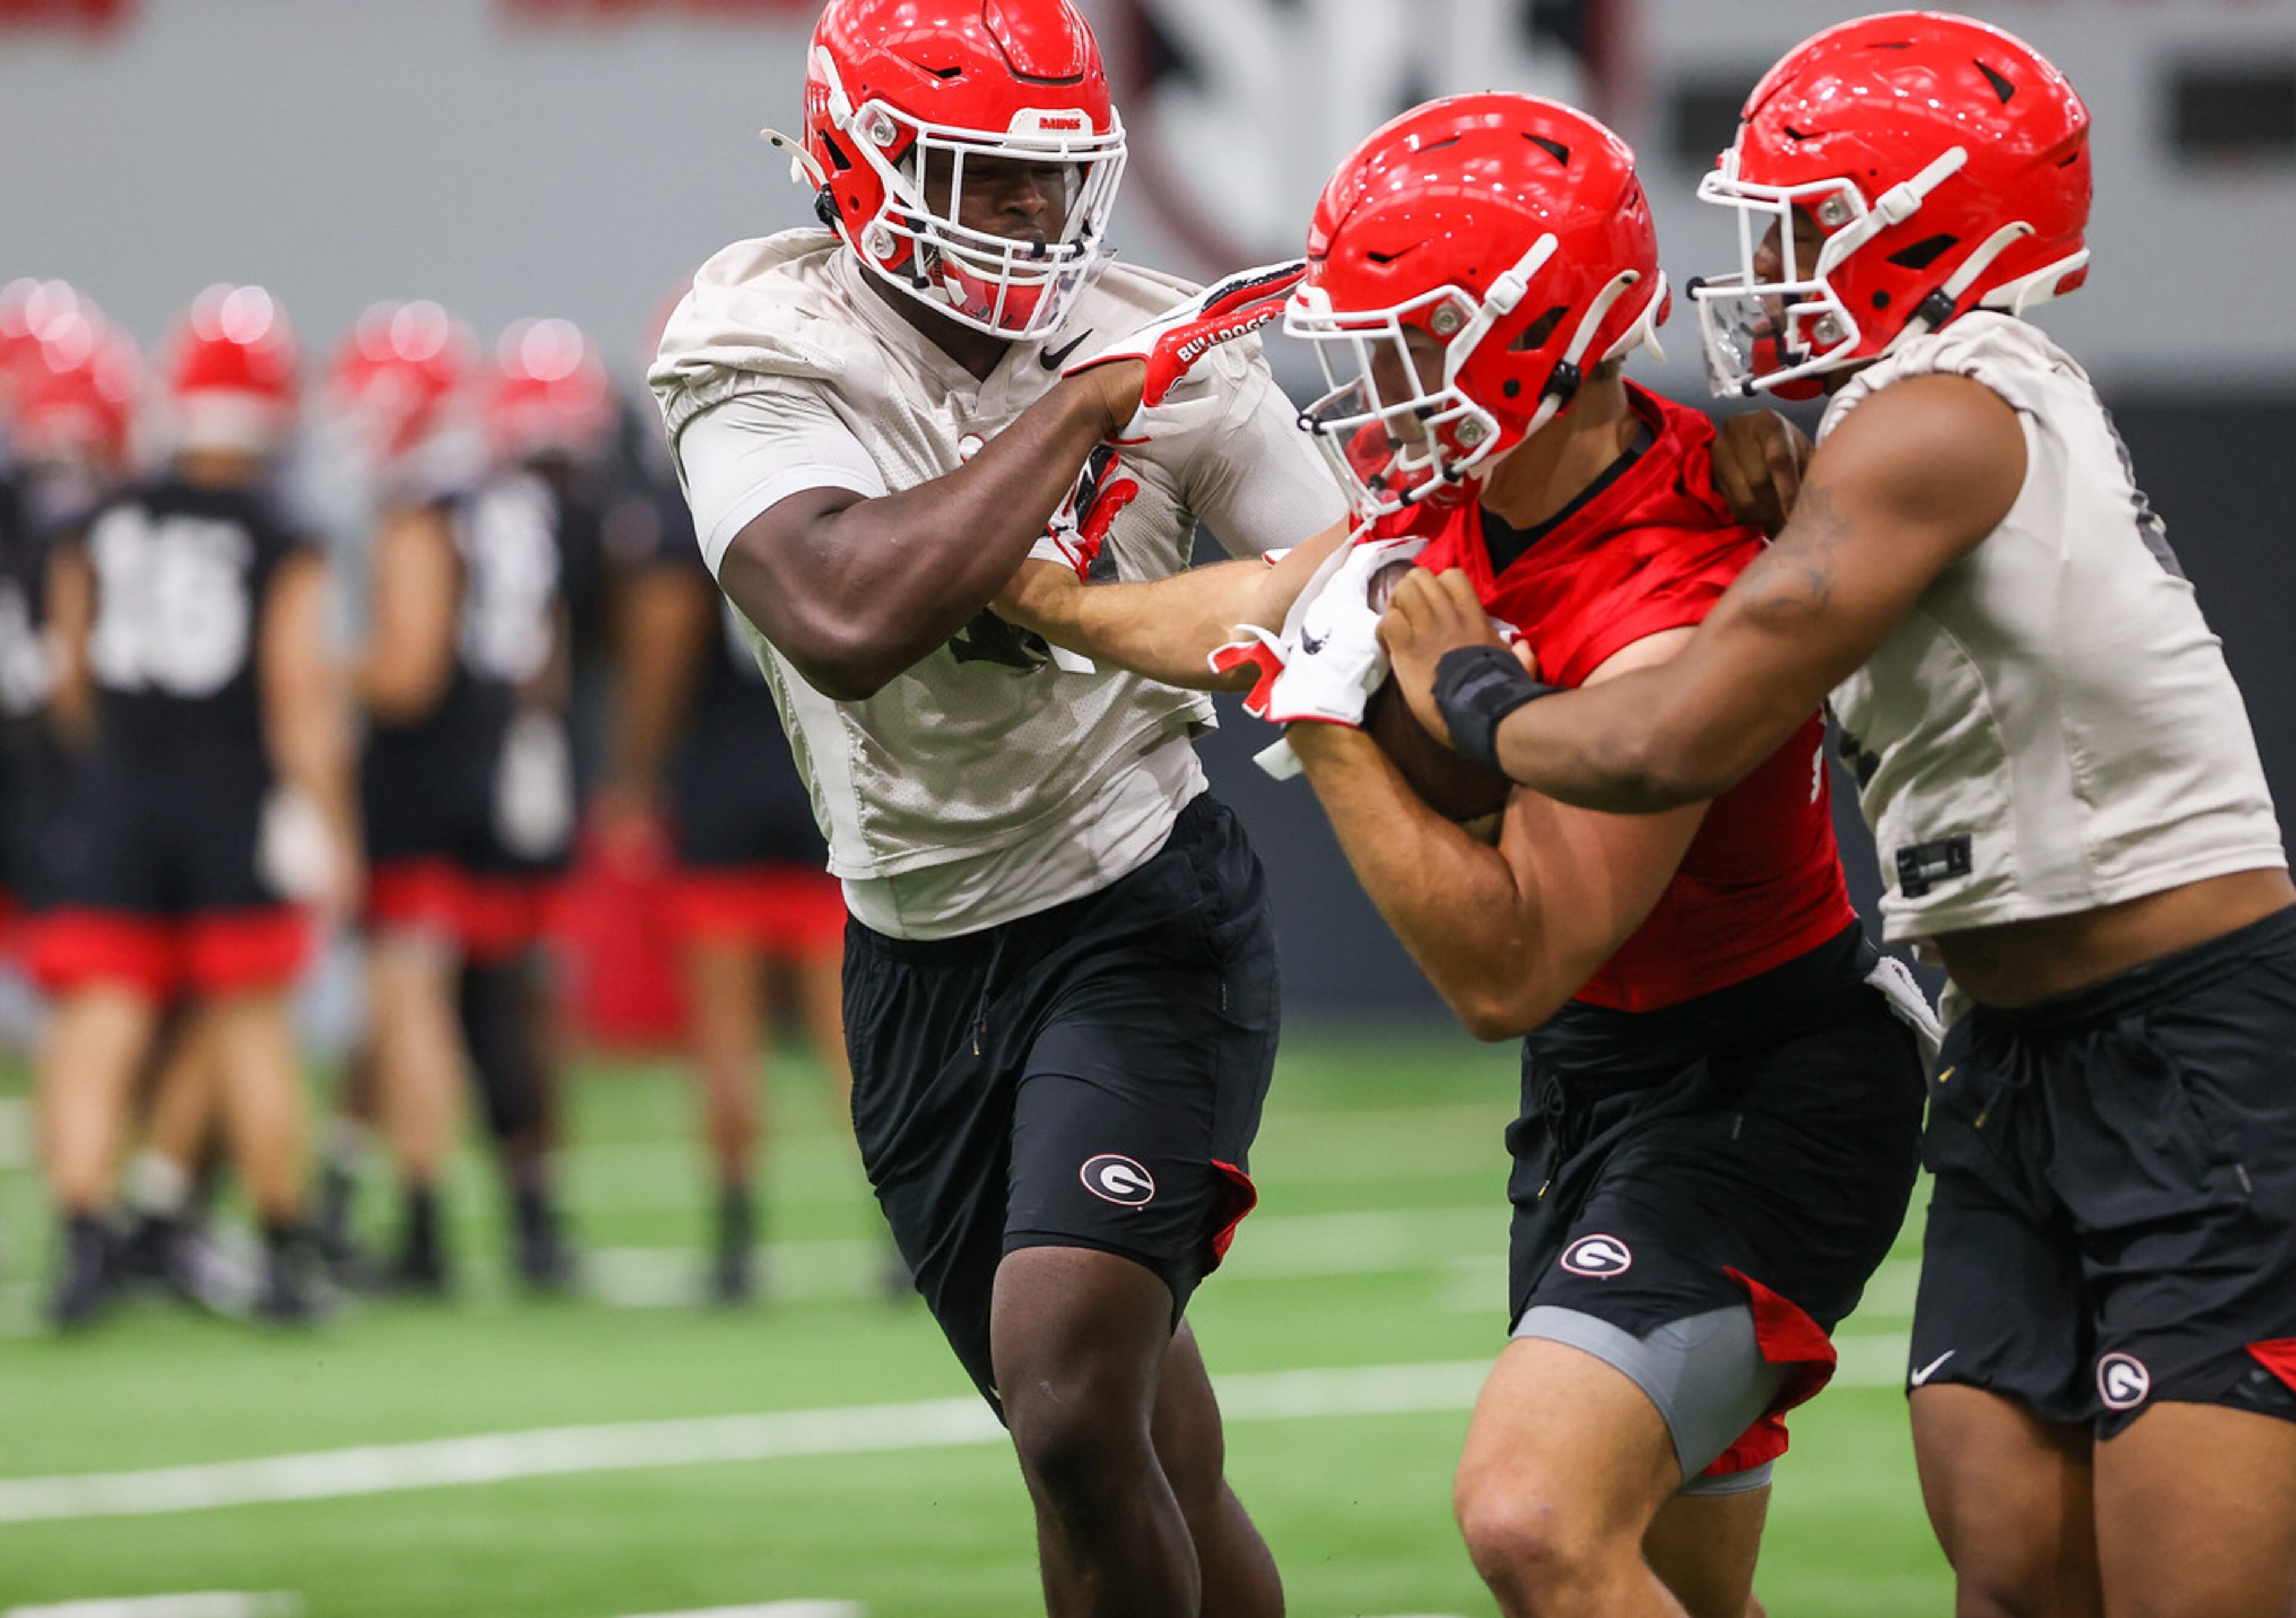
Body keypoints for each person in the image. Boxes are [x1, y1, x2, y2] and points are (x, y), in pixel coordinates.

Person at [1378, 16, 2296, 1617]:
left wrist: (1475, 697)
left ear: (1933, 221)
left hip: (2196, 1048)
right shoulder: (1901, 419)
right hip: (2009, 1051)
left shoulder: (1943, 414)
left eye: (1806, 219)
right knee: (2010, 1561)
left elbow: (1672, 736)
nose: (1772, 257)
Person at [1240, 93, 1929, 1618]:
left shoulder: (1680, 576)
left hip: (1758, 1089)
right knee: (1667, 1577)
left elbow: (1508, 964)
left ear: (1541, 335)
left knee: (1534, 1520)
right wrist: (1041, 601)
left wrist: (1325, 720)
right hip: (1606, 1088)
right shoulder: (1486, 490)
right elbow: (1245, 599)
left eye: (1417, 336)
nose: (1380, 377)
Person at [29, 284, 359, 1327]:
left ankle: (82, 1251)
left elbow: (70, 677)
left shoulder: (105, 511)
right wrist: (331, 818)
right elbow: (296, 693)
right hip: (229, 792)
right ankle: (281, 1255)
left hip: (125, 786)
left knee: (102, 1021)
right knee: (253, 1026)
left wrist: (125, 762)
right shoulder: (278, 527)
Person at [356, 313, 603, 1295]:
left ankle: (422, 1224)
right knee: (505, 1002)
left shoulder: (426, 505)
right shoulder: (516, 501)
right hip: (512, 769)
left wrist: (319, 677)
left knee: (410, 998)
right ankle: (536, 1216)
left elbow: (409, 672)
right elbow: (548, 654)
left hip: (429, 774)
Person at [595, 433, 860, 1306]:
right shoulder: (827, 477)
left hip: (718, 788)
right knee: (852, 1030)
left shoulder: (685, 506)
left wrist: (633, 773)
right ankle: (909, 1230)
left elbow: (663, 643)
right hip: (818, 778)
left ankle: (736, 1238)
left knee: (727, 1028)